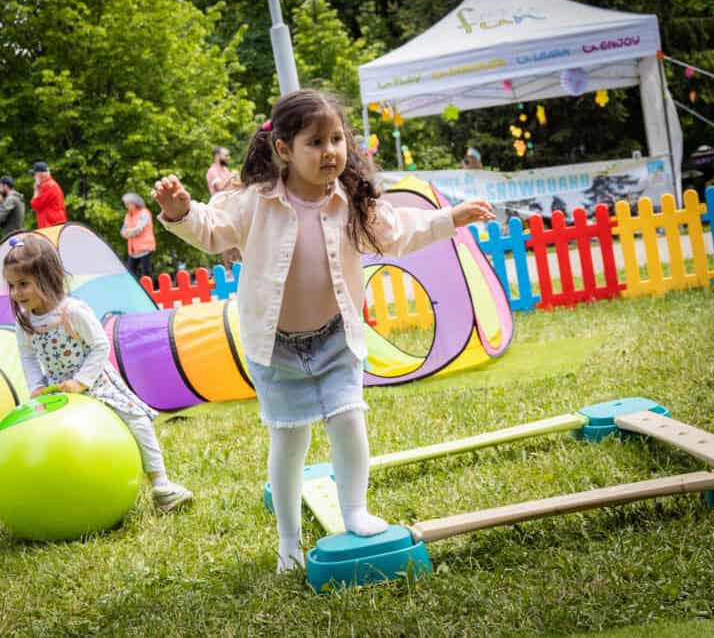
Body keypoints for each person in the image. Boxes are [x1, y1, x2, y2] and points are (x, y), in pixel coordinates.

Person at [153, 89, 494, 572]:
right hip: (274, 345)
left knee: (349, 420)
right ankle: (288, 541)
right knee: (289, 440)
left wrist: (449, 218)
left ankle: (355, 510)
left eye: (336, 139)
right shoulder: (255, 202)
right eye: (315, 142)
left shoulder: (350, 200)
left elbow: (396, 233)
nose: (330, 150)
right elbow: (211, 230)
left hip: (335, 337)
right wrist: (179, 211)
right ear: (284, 150)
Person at [3, 234, 193, 512]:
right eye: (11, 285)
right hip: (58, 389)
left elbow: (100, 345)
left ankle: (161, 485)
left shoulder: (73, 311)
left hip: (96, 383)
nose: (16, 293)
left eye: (23, 284)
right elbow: (28, 357)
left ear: (47, 278)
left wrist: (82, 381)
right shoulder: (25, 322)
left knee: (138, 420)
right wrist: (36, 388)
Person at [120, 192, 156, 278]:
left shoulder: (144, 212)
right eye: (126, 204)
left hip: (145, 248)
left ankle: (149, 290)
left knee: (147, 272)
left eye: (128, 204)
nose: (126, 206)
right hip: (133, 251)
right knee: (130, 273)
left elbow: (139, 229)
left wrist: (128, 232)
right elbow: (122, 232)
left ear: (135, 203)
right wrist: (128, 232)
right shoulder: (128, 215)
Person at [30, 161, 66, 228]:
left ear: (39, 174)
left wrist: (36, 189)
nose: (33, 177)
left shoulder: (47, 186)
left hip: (50, 225)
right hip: (55, 224)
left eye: (34, 174)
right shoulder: (52, 184)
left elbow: (34, 205)